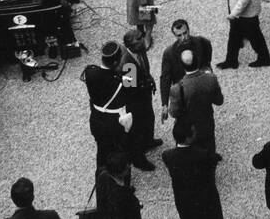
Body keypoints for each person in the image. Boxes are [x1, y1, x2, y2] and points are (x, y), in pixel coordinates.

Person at [162, 122, 239, 219]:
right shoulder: (204, 154)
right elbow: (212, 167)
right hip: (207, 198)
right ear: (189, 137)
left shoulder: (168, 156)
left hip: (185, 203)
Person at [168, 50, 223, 160]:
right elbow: (219, 101)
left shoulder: (177, 88)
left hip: (187, 126)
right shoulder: (211, 79)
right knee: (209, 142)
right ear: (197, 61)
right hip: (207, 120)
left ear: (182, 65)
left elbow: (174, 113)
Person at [83, 42, 131, 167]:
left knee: (102, 152)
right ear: (115, 63)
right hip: (113, 124)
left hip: (96, 120)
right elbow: (132, 90)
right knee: (118, 154)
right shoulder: (119, 83)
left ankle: (101, 177)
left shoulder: (90, 72)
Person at [120, 26, 161, 168]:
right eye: (138, 39)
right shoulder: (127, 64)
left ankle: (148, 141)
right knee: (137, 129)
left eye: (141, 37)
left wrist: (149, 79)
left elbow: (144, 68)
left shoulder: (140, 49)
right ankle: (138, 158)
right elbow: (130, 89)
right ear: (129, 45)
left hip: (144, 94)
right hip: (135, 102)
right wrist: (145, 84)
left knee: (149, 118)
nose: (143, 41)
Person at [159, 19, 213, 113]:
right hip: (183, 94)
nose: (184, 37)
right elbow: (165, 79)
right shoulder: (169, 53)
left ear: (189, 30)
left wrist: (207, 70)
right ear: (174, 36)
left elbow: (207, 59)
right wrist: (165, 103)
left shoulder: (202, 42)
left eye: (185, 33)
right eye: (179, 35)